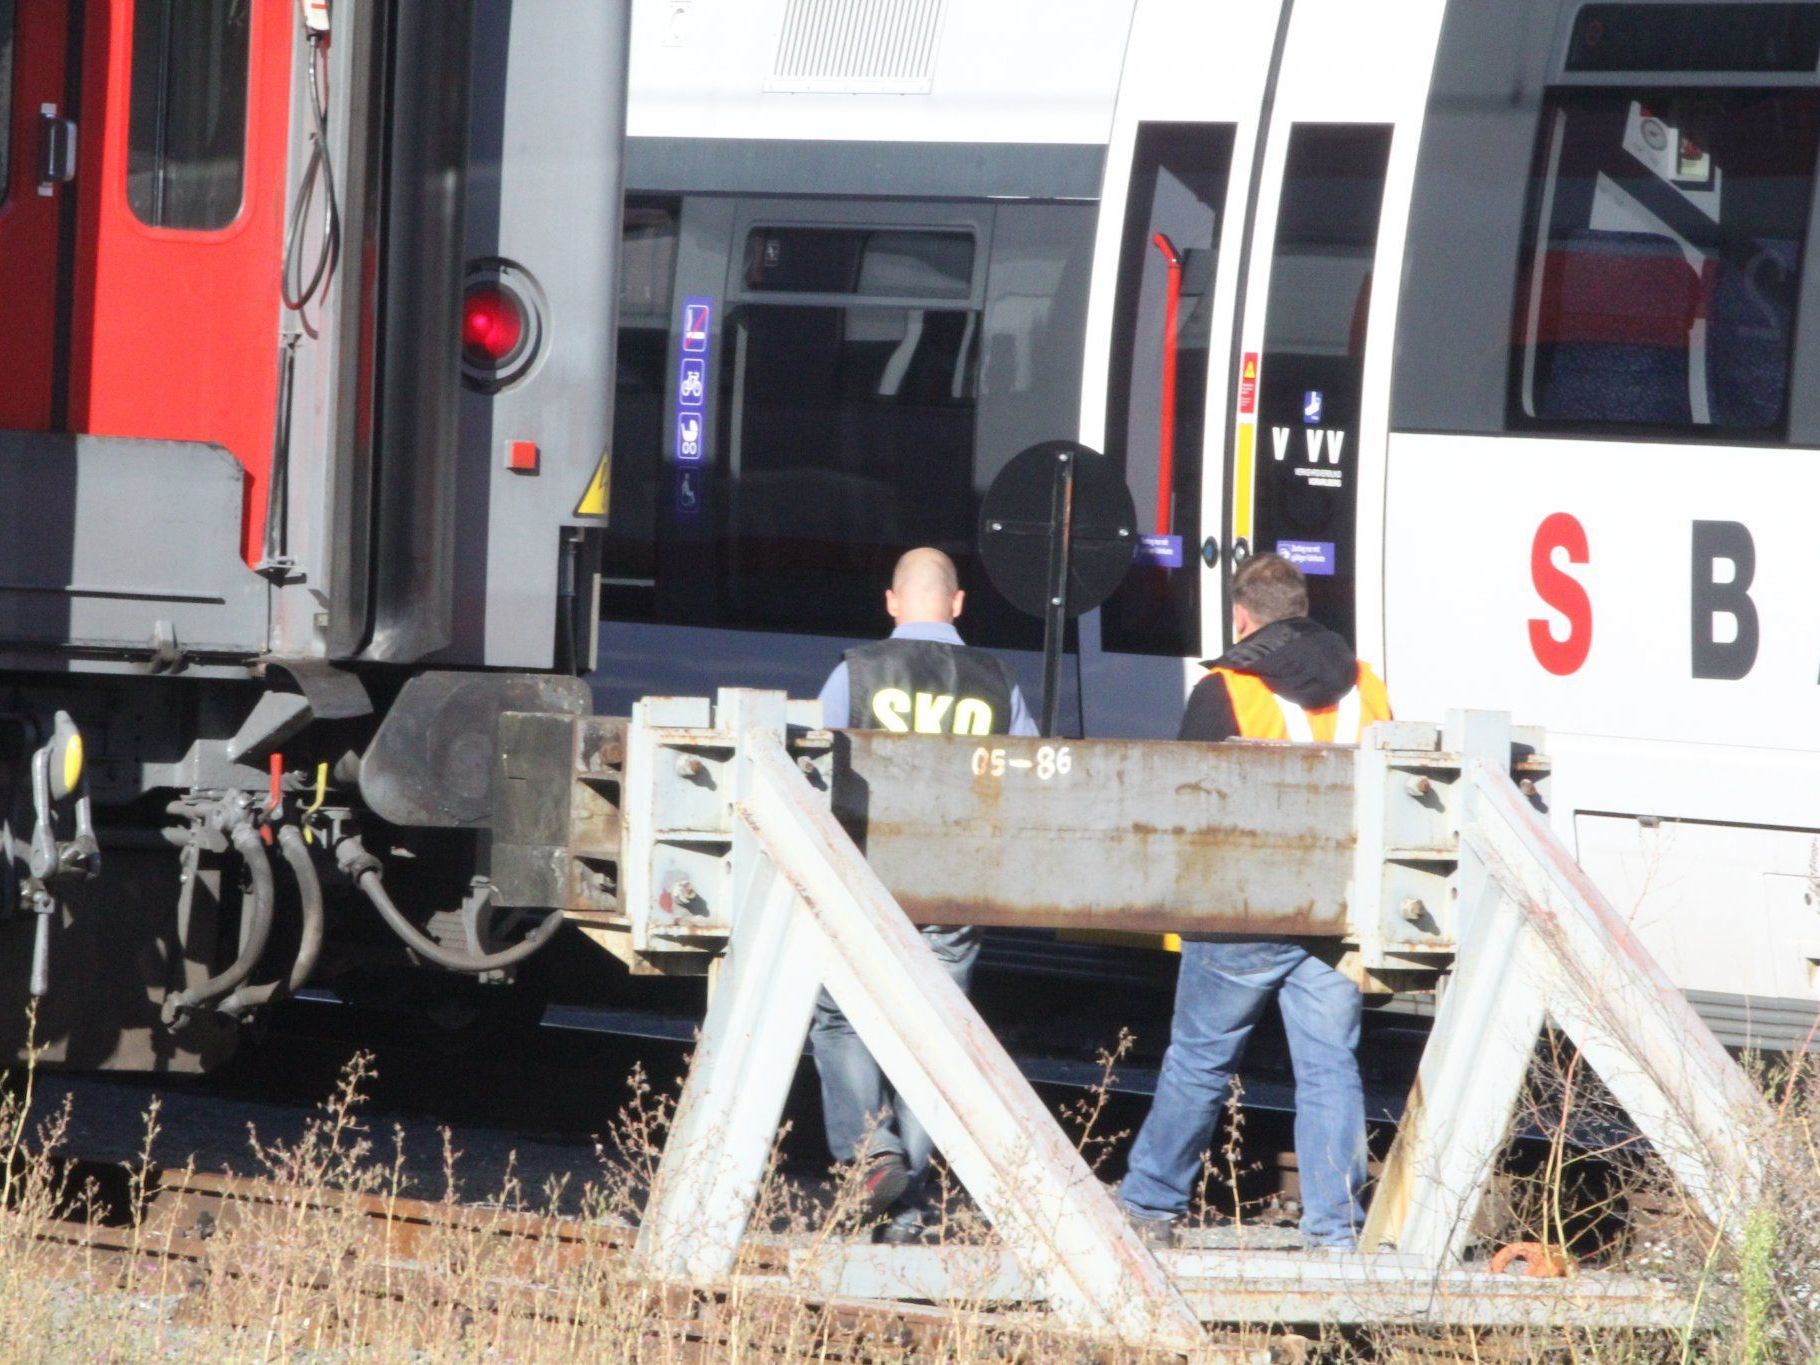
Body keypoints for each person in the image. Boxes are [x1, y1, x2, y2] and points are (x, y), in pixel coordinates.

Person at [1118, 552, 1391, 1251]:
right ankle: (1334, 1231)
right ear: (1303, 609)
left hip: (1240, 907)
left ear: (1243, 618)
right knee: (1330, 1065)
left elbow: (1189, 801)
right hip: (1334, 907)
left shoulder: (1226, 687)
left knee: (1201, 1059)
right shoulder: (1367, 686)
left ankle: (1150, 1205)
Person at [813, 547, 1038, 1239]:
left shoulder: (854, 671)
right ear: (959, 603)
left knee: (842, 1018)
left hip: (869, 880)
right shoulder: (1000, 679)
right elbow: (1029, 779)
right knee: (933, 1033)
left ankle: (871, 1156)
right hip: (955, 888)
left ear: (891, 602)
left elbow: (815, 778)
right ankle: (905, 1204)